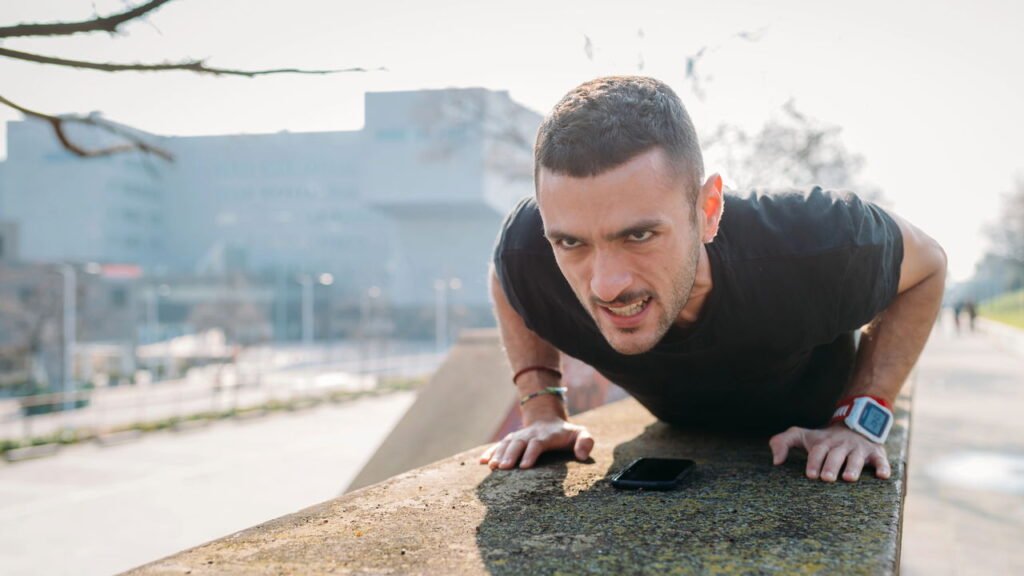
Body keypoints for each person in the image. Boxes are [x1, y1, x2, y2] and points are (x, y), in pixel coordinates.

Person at [478, 76, 947, 483]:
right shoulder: (530, 250)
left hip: (812, 422)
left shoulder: (821, 240)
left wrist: (860, 419)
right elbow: (507, 274)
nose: (606, 285)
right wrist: (541, 407)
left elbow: (929, 265)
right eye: (571, 243)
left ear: (708, 211)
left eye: (639, 235)